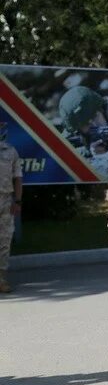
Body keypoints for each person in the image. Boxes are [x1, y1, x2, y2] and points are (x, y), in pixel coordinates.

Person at [0, 122, 22, 294]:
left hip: (6, 201)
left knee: (5, 240)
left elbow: (17, 179)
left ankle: (1, 278)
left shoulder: (10, 151)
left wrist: (18, 201)